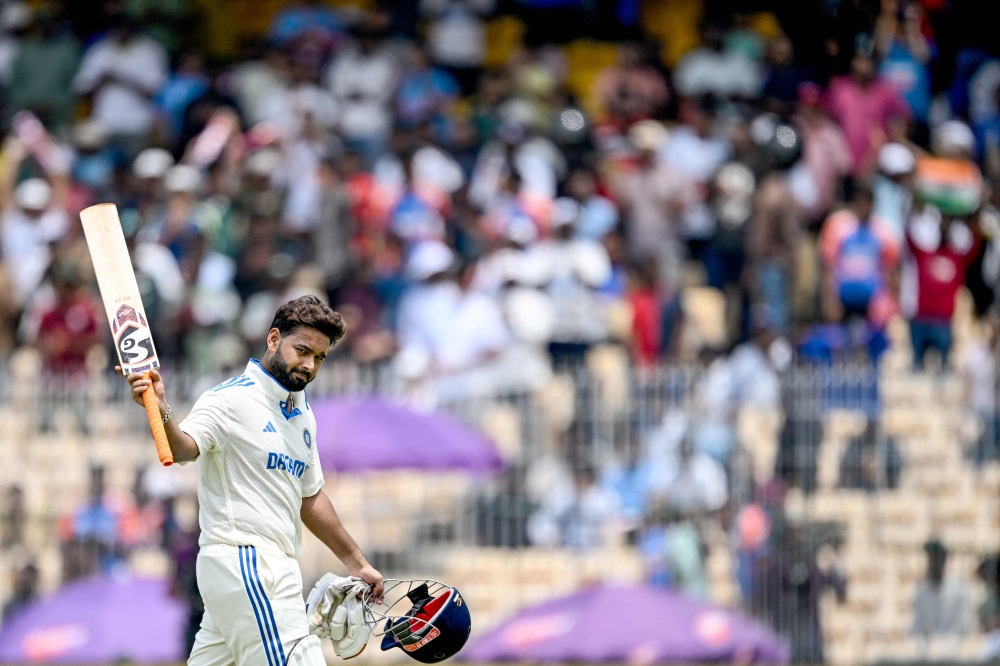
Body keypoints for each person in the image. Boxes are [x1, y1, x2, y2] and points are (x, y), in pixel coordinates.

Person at [121, 296, 384, 666]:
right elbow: (182, 449)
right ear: (274, 339)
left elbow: (309, 497)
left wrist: (356, 562)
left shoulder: (302, 414)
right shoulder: (231, 399)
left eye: (319, 358)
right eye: (302, 350)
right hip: (246, 562)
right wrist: (161, 409)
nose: (309, 365)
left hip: (268, 570)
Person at [912, 540, 974, 638]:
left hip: (954, 648)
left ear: (943, 561)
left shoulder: (959, 589)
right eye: (931, 559)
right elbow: (917, 626)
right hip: (928, 650)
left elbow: (964, 624)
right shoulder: (921, 590)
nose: (933, 563)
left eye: (937, 559)